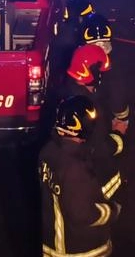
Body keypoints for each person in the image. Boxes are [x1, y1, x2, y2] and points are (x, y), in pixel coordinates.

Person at [39, 94, 120, 257]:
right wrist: (112, 210)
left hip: (51, 244)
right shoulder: (74, 167)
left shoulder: (47, 151)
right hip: (80, 250)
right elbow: (82, 214)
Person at [61, 39, 126, 202]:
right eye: (102, 72)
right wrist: (119, 134)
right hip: (92, 188)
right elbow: (100, 149)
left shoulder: (69, 93)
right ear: (94, 72)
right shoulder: (88, 110)